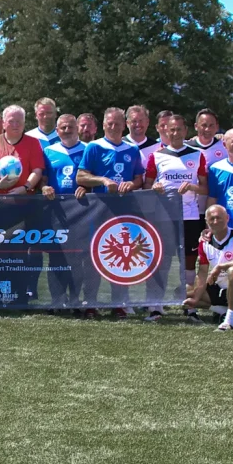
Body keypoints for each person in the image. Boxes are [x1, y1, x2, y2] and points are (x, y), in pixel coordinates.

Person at [76, 107, 144, 319]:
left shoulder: (132, 150)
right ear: (103, 125)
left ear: (124, 125)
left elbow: (139, 179)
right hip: (99, 209)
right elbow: (80, 177)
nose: (114, 127)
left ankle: (119, 302)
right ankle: (90, 302)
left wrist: (130, 185)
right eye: (110, 124)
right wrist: (103, 180)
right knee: (93, 256)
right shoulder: (94, 147)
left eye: (117, 124)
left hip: (124, 210)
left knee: (122, 257)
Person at [144, 112, 208, 320]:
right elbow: (147, 185)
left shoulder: (197, 154)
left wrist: (192, 187)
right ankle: (156, 305)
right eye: (171, 129)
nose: (175, 133)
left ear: (186, 131)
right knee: (162, 261)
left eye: (179, 129)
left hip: (189, 216)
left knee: (189, 262)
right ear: (165, 131)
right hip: (164, 217)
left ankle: (189, 306)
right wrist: (155, 187)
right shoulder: (157, 155)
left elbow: (205, 188)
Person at [0, 105, 46, 303]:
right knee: (0, 252)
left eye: (19, 121)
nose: (15, 124)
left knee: (19, 252)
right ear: (4, 122)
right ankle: (1, 294)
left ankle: (19, 296)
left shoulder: (33, 144)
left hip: (24, 206)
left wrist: (26, 187)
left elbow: (37, 170)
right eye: (11, 120)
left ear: (25, 123)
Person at [41, 113, 89, 310]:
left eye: (70, 127)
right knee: (56, 257)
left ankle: (75, 299)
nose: (67, 131)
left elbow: (93, 176)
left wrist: (86, 187)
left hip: (81, 210)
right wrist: (44, 187)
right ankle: (57, 299)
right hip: (56, 211)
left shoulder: (87, 149)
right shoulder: (48, 151)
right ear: (57, 130)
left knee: (77, 257)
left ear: (77, 128)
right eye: (62, 128)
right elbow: (43, 178)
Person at [183, 204, 233, 331]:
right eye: (212, 219)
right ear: (206, 221)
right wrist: (196, 299)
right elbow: (203, 273)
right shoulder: (204, 242)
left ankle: (229, 321)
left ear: (227, 218)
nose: (215, 221)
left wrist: (221, 267)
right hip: (219, 288)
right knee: (183, 293)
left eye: (219, 218)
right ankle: (221, 310)